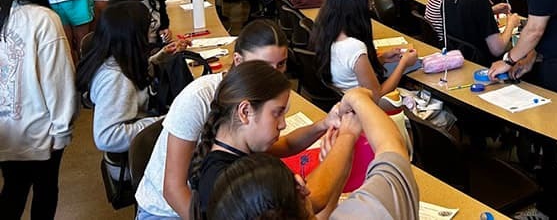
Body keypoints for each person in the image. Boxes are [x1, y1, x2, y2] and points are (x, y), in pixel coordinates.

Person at [134, 21, 340, 220]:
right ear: (238, 60)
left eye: (281, 64)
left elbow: (282, 145)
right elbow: (173, 189)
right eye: (262, 66)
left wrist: (323, 124)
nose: (273, 75)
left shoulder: (260, 102)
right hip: (168, 211)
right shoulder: (199, 98)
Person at [207, 88, 419, 220]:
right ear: (301, 186)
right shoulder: (370, 212)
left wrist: (340, 162)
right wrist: (357, 98)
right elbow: (393, 148)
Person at [0, 0, 78, 220]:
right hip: (41, 130)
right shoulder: (45, 19)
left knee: (13, 191)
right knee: (45, 191)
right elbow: (58, 80)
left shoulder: (3, 16)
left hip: (6, 129)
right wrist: (62, 129)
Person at [75, 2, 186, 178]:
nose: (151, 31)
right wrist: (165, 122)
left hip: (135, 150)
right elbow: (108, 137)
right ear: (133, 35)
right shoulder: (116, 79)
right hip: (131, 163)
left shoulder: (116, 58)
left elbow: (132, 76)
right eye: (147, 27)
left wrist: (159, 58)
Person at [191, 60, 292, 215]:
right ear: (245, 112)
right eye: (277, 113)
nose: (283, 124)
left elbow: (289, 144)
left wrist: (323, 125)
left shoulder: (222, 154)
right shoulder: (238, 183)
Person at [312, 0, 418, 100]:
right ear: (357, 7)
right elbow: (377, 95)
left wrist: (382, 59)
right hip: (364, 105)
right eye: (368, 2)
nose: (371, 7)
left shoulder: (325, 29)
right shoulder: (353, 46)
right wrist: (404, 64)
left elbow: (351, 69)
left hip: (347, 98)